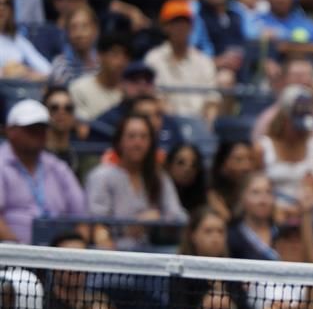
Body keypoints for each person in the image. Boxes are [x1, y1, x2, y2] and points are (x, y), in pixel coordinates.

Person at [85, 112, 184, 247]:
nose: (138, 143)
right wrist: (132, 225)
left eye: (144, 137)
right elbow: (97, 222)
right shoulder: (101, 176)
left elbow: (176, 215)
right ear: (119, 141)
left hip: (155, 250)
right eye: (131, 136)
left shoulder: (159, 176)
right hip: (116, 249)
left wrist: (157, 219)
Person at [0, 98, 86, 243]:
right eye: (31, 128)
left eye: (42, 128)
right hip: (10, 257)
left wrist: (75, 247)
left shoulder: (58, 167)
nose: (38, 134)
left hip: (59, 255)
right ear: (10, 130)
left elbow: (82, 217)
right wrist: (19, 252)